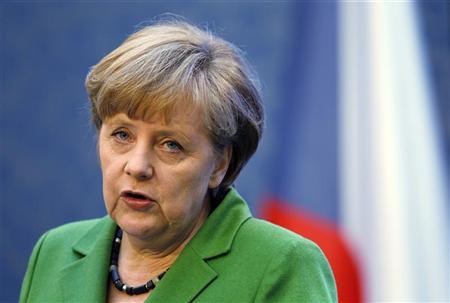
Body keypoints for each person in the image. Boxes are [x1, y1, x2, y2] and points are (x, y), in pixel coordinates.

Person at [19, 19, 337, 303]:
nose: (137, 166)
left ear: (219, 165)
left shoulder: (280, 265)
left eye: (171, 145)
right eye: (122, 135)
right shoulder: (54, 252)